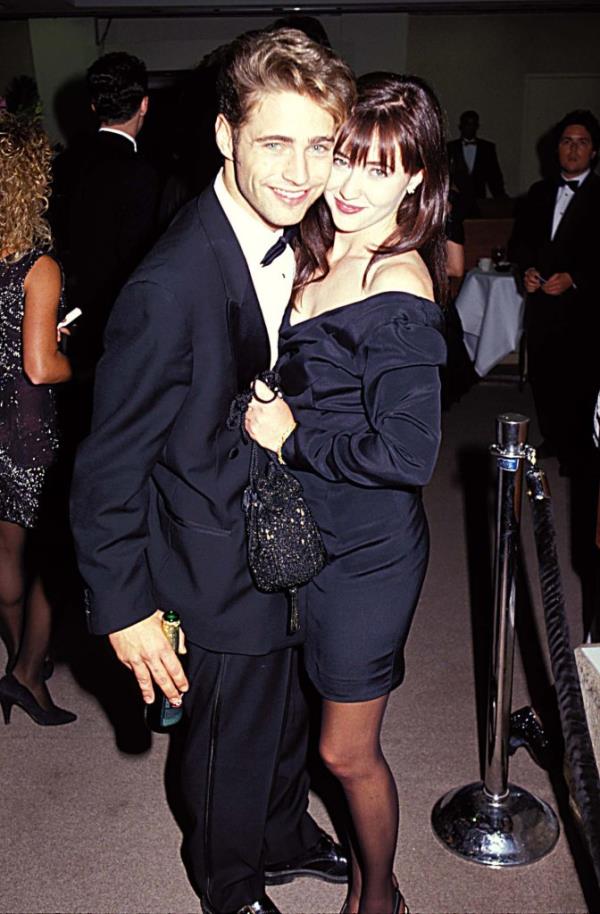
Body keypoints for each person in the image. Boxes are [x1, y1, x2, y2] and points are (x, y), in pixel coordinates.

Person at [70, 28, 355, 914]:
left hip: (274, 522)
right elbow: (108, 464)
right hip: (206, 552)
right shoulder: (169, 284)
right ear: (227, 135)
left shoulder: (289, 227)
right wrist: (124, 608)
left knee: (285, 711)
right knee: (229, 730)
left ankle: (281, 830)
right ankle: (229, 881)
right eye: (276, 142)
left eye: (320, 145)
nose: (301, 171)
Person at [244, 72, 448, 914]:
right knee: (302, 721)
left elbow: (411, 452)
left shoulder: (396, 287)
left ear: (415, 181)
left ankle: (378, 897)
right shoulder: (323, 251)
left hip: (367, 552)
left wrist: (294, 436)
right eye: (344, 159)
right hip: (306, 526)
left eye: (381, 167)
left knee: (346, 753)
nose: (355, 185)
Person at [0, 113, 75, 726]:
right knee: (54, 552)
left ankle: (21, 655)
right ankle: (27, 670)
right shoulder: (36, 266)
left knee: (5, 546)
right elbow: (40, 367)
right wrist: (68, 354)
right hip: (26, 426)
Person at [509, 108, 600, 471]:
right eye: (566, 141)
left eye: (582, 143)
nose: (573, 149)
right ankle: (553, 437)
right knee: (544, 375)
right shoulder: (539, 191)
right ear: (556, 148)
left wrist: (576, 278)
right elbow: (520, 244)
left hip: (585, 307)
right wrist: (526, 271)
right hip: (543, 304)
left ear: (594, 151)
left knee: (579, 378)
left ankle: (578, 449)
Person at [65, 51, 159, 381]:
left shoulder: (64, 165)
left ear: (94, 106)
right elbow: (137, 261)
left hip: (62, 320)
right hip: (117, 328)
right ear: (144, 105)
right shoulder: (141, 175)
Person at [447, 109, 506, 216]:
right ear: (461, 126)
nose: (470, 127)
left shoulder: (487, 148)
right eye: (467, 124)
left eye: (473, 124)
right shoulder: (450, 148)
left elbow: (494, 175)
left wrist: (501, 199)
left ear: (477, 126)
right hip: (456, 201)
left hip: (479, 201)